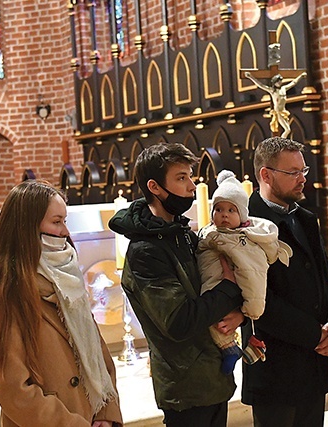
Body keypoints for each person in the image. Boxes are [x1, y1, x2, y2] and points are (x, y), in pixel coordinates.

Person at [108, 143, 245, 427]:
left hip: (212, 377)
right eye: (181, 178)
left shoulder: (180, 233)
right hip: (186, 385)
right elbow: (179, 321)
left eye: (190, 177)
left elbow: (210, 285)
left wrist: (238, 312)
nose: (191, 186)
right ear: (155, 187)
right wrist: (229, 290)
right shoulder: (146, 250)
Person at [0, 180, 122, 427]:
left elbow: (99, 357)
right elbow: (14, 389)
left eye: (65, 221)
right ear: (27, 227)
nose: (65, 232)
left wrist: (106, 414)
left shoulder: (69, 282)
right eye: (56, 222)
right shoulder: (5, 292)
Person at [242, 136, 328, 426]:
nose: (302, 179)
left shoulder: (305, 218)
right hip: (275, 368)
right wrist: (314, 334)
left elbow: (327, 277)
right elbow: (257, 298)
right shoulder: (244, 224)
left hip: (314, 366)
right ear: (266, 174)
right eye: (293, 173)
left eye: (304, 171)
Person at [197, 170, 292, 374]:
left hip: (219, 289)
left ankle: (231, 349)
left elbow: (252, 276)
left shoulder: (243, 242)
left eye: (231, 210)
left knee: (217, 322)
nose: (223, 214)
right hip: (209, 284)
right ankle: (235, 348)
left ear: (242, 216)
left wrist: (251, 311)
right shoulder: (209, 232)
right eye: (219, 209)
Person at [244, 71, 306, 139]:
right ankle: (282, 141)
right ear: (274, 82)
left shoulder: (283, 88)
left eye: (280, 81)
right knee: (287, 129)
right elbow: (261, 85)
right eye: (278, 81)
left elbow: (293, 83)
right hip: (278, 112)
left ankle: (283, 141)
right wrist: (251, 77)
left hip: (284, 112)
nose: (279, 83)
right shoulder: (272, 91)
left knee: (288, 129)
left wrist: (301, 76)